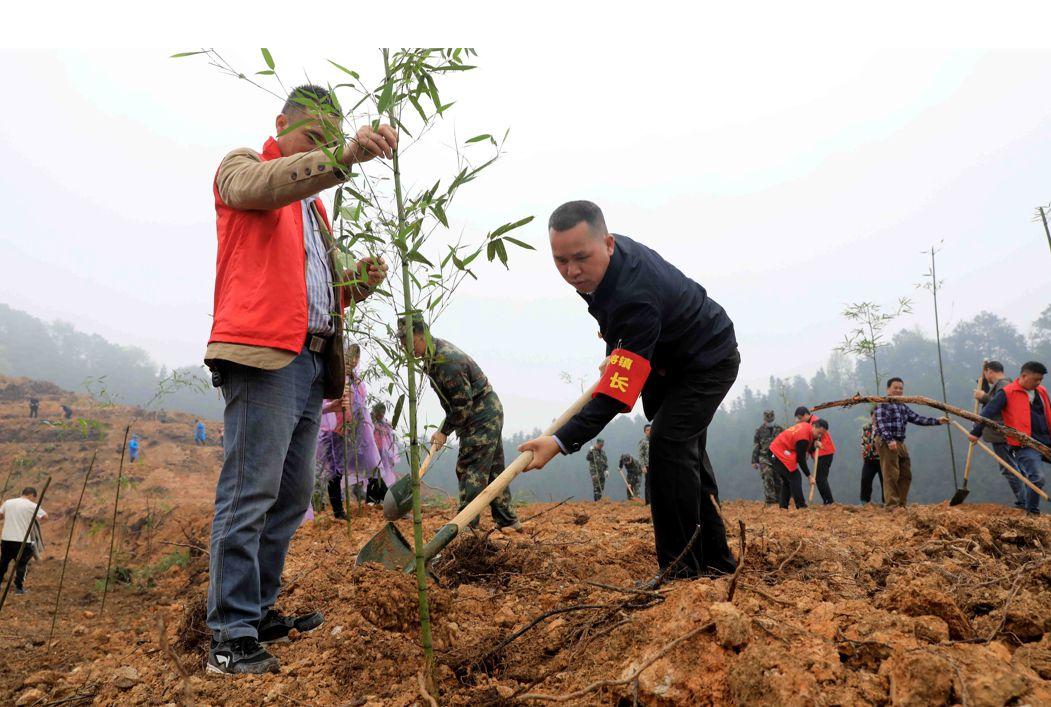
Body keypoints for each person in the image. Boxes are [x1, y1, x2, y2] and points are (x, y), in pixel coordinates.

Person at [203, 84, 395, 675]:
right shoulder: (243, 169)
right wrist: (343, 158)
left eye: (331, 144)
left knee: (288, 499)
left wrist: (353, 285)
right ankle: (228, 636)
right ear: (280, 122)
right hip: (265, 357)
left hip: (310, 362)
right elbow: (263, 187)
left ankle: (257, 611)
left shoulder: (314, 211)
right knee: (249, 491)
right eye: (314, 140)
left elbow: (314, 294)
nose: (323, 153)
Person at [519, 201, 739, 579]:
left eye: (580, 258)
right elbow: (618, 323)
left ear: (606, 243)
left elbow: (617, 396)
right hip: (668, 362)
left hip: (705, 361)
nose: (571, 272)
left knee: (668, 445)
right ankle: (716, 563)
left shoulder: (634, 293)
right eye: (560, 261)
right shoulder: (603, 268)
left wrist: (558, 441)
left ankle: (679, 571)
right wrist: (620, 350)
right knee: (686, 460)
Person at [402, 318, 522, 532]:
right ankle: (508, 521)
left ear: (420, 336)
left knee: (470, 468)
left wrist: (444, 431)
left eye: (406, 341)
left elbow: (462, 403)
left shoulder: (446, 360)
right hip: (482, 412)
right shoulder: (433, 356)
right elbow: (455, 402)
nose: (404, 348)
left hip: (480, 415)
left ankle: (467, 524)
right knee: (493, 469)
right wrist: (443, 429)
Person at [969, 361, 1049, 517]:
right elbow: (988, 412)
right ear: (1024, 376)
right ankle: (1031, 512)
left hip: (1045, 439)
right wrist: (976, 431)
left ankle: (1026, 505)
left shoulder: (1041, 391)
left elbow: (1048, 413)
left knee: (1028, 475)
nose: (1038, 383)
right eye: (1035, 379)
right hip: (1024, 442)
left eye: (1040, 380)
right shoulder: (1007, 392)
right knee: (1036, 477)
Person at [874, 377, 949, 508]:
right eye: (895, 388)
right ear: (888, 389)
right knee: (891, 474)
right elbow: (881, 423)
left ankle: (901, 504)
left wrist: (937, 421)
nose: (898, 390)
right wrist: (889, 440)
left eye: (900, 388)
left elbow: (917, 418)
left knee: (906, 474)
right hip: (887, 441)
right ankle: (892, 505)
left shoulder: (902, 406)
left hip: (900, 441)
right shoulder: (883, 403)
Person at [322, 345, 380, 507]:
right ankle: (338, 511)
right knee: (335, 471)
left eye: (357, 357)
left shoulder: (357, 380)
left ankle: (373, 501)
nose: (354, 360)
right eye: (351, 356)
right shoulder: (338, 376)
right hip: (337, 430)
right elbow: (329, 402)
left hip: (355, 430)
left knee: (372, 463)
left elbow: (359, 405)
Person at [973, 361, 1024, 509]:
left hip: (1002, 433)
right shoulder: (1003, 384)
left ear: (990, 371)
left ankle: (1024, 502)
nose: (986, 377)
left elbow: (1000, 405)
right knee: (1013, 467)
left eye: (986, 374)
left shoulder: (1004, 384)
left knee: (1009, 468)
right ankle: (1024, 500)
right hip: (1003, 433)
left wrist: (983, 397)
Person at [769, 407, 825, 509]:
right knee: (795, 476)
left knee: (788, 480)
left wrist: (814, 445)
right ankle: (801, 505)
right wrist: (809, 476)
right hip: (779, 452)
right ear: (813, 426)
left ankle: (783, 507)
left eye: (822, 434)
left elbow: (804, 447)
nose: (819, 435)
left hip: (776, 451)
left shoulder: (806, 427)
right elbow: (800, 458)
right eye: (818, 432)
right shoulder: (803, 437)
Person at [0, 487, 47, 595]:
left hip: (6, 539)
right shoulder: (32, 505)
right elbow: (45, 517)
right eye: (34, 498)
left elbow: (0, 516)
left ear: (22, 493)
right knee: (22, 564)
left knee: (3, 562)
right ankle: (18, 588)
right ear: (32, 496)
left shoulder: (8, 502)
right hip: (22, 540)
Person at [369, 403, 400, 505]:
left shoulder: (383, 423)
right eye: (380, 412)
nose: (381, 415)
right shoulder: (369, 421)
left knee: (375, 476)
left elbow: (389, 435)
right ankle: (386, 499)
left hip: (380, 454)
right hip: (371, 453)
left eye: (383, 413)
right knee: (374, 476)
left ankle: (372, 500)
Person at [751, 410, 783, 505]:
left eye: (771, 420)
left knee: (779, 477)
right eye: (768, 420)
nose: (769, 422)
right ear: (764, 420)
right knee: (767, 475)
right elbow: (756, 445)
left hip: (777, 457)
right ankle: (770, 499)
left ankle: (780, 498)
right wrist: (754, 461)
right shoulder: (759, 430)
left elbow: (786, 442)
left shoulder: (779, 429)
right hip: (764, 457)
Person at [808, 416, 835, 505]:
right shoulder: (810, 424)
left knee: (821, 478)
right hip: (820, 454)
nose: (820, 435)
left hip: (825, 453)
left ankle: (829, 501)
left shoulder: (815, 422)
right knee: (820, 479)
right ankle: (827, 501)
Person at [859, 409, 884, 504]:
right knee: (865, 479)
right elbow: (863, 442)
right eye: (875, 415)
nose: (876, 417)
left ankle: (887, 502)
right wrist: (864, 454)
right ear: (871, 416)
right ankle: (864, 501)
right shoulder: (866, 428)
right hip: (869, 459)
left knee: (885, 481)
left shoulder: (884, 428)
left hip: (882, 459)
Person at [639, 424, 651, 505]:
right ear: (644, 432)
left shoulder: (656, 440)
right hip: (647, 466)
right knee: (648, 484)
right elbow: (641, 455)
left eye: (651, 429)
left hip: (657, 466)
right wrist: (643, 466)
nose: (649, 431)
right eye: (647, 430)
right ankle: (648, 502)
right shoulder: (643, 442)